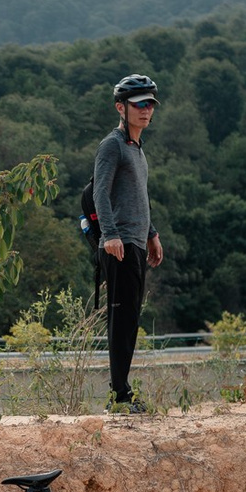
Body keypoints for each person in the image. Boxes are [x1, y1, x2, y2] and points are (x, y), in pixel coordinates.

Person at [92, 73, 165, 412]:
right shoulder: (113, 145)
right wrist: (109, 235)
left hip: (136, 242)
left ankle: (121, 390)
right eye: (139, 105)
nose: (145, 110)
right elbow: (100, 193)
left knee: (131, 320)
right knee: (121, 323)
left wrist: (151, 234)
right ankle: (119, 395)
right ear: (121, 107)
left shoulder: (137, 149)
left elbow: (139, 197)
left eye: (149, 104)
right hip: (118, 245)